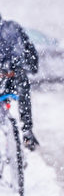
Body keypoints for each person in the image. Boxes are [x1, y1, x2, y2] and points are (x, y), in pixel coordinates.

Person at [0, 13, 40, 151]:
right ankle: (27, 130)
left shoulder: (11, 27)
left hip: (7, 73)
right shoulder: (13, 27)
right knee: (23, 94)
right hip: (14, 73)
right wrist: (33, 66)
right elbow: (29, 48)